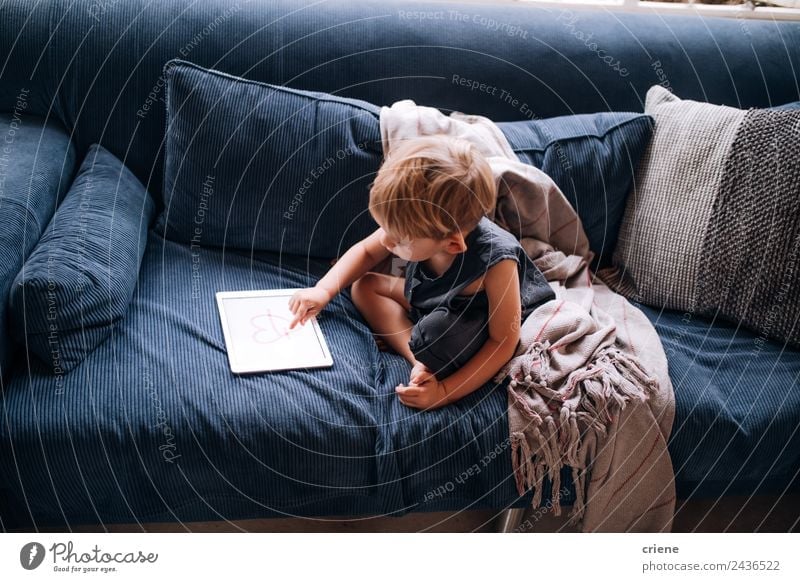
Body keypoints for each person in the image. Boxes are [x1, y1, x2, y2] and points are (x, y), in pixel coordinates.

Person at [288, 135, 555, 410]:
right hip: (430, 298)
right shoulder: (414, 225)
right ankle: (418, 361)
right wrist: (323, 289)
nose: (386, 243)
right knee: (364, 285)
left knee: (436, 334)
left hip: (475, 319)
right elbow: (367, 252)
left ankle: (429, 359)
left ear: (452, 244)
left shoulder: (498, 263)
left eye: (398, 240)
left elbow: (502, 342)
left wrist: (444, 392)